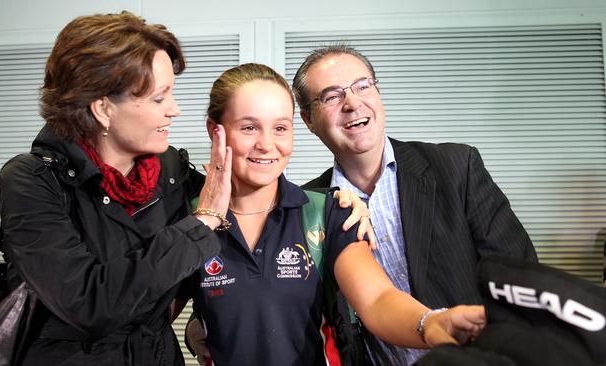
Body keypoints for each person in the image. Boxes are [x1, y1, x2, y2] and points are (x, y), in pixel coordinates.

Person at [182, 62, 485, 366]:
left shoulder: (326, 212)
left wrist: (429, 323)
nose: (266, 144)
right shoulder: (188, 219)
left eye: (280, 128)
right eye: (249, 127)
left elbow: (378, 299)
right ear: (215, 130)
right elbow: (149, 308)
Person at [0, 11, 234, 366]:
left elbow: (245, 202)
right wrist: (201, 223)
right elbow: (88, 304)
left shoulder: (170, 170)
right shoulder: (30, 181)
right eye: (158, 98)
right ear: (102, 108)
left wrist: (339, 200)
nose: (175, 110)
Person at [293, 45, 539, 365]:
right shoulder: (307, 207)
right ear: (308, 119)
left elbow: (519, 279)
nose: (352, 103)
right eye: (331, 96)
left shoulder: (455, 167)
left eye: (363, 86)